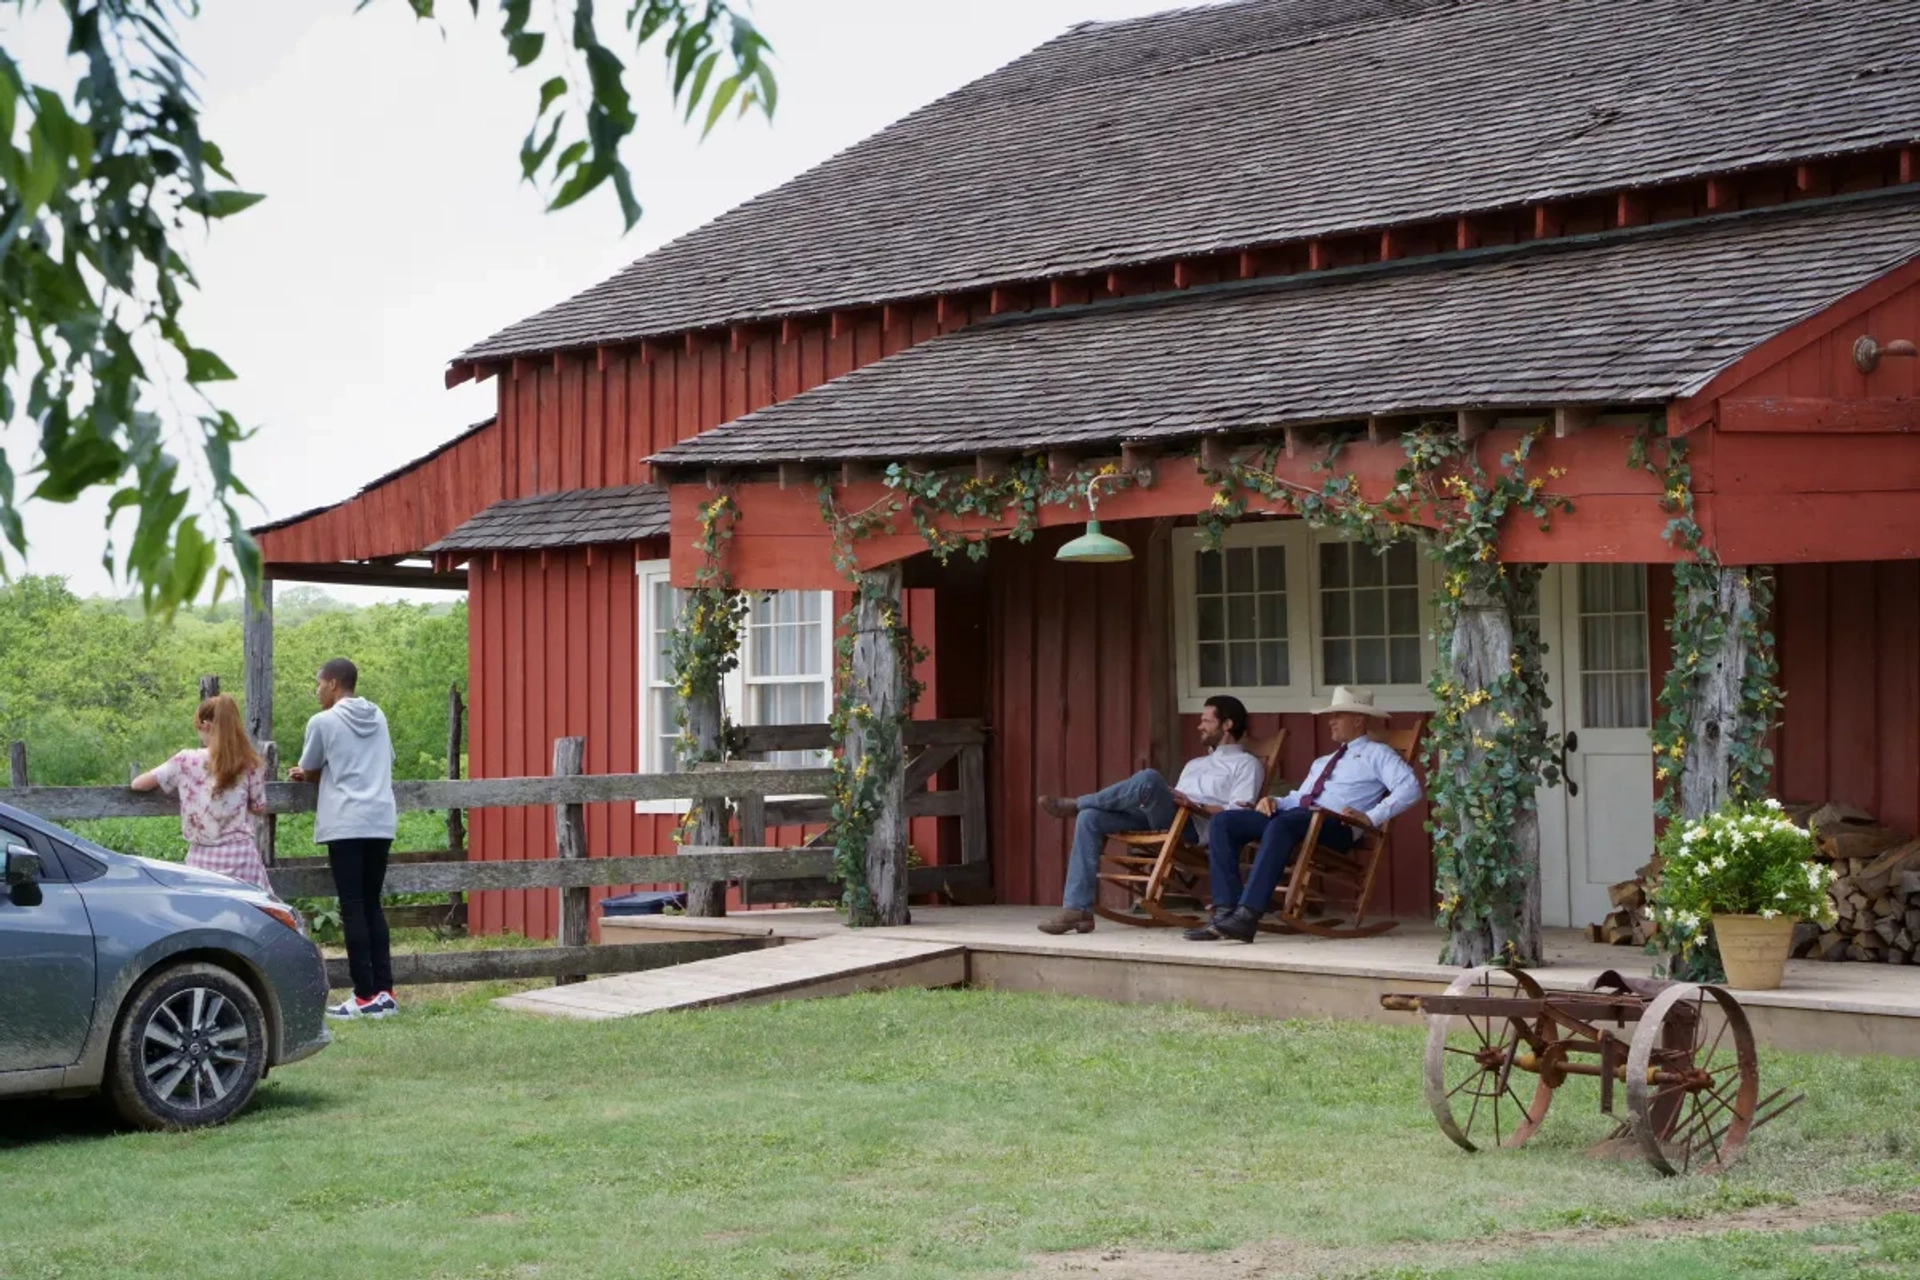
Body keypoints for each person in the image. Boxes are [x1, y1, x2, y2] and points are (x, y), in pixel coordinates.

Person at [1187, 685, 1422, 943]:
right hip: (1299, 819)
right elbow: (1299, 799)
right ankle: (1226, 912)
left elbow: (1410, 788)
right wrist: (1272, 801)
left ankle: (1247, 915)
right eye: (1330, 716)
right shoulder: (1323, 761)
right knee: (1224, 821)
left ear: (1358, 719)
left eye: (1338, 716)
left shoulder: (1378, 754)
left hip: (1336, 826)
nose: (1330, 721)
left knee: (1286, 823)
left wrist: (1372, 816)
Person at [1035, 694, 1263, 935]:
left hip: (1193, 825)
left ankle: (1077, 803)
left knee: (1150, 778)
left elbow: (1239, 813)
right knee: (1090, 818)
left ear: (1227, 725)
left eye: (1206, 721)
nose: (1199, 725)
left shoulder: (1247, 764)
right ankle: (1077, 910)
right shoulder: (1195, 763)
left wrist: (1196, 806)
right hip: (1163, 817)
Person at [288, 658, 399, 1020]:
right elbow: (384, 759)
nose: (317, 690)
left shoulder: (323, 721)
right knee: (372, 904)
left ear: (334, 684)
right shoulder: (378, 716)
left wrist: (303, 775)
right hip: (380, 819)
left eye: (319, 684)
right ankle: (385, 992)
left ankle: (363, 995)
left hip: (347, 822)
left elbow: (311, 767)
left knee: (352, 906)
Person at [131, 694, 272, 893]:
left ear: (206, 725)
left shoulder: (186, 760)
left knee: (204, 916)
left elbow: (139, 784)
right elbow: (259, 807)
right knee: (250, 917)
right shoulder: (250, 762)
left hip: (202, 859)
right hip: (241, 856)